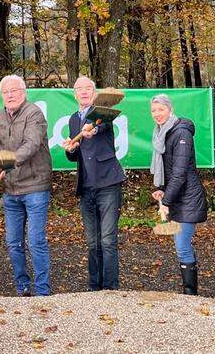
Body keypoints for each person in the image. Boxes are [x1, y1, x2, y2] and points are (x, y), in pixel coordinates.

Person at [0, 74, 52, 296]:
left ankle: (42, 291)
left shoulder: (34, 113)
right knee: (13, 243)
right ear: (1, 95)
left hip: (35, 187)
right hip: (10, 191)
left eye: (15, 90)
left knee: (35, 241)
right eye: (6, 92)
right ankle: (22, 288)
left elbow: (30, 145)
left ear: (24, 92)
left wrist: (6, 165)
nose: (10, 95)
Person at [64, 76, 125, 291]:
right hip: (86, 187)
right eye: (79, 89)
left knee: (108, 240)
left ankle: (110, 289)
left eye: (87, 88)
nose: (83, 92)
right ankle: (94, 287)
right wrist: (70, 149)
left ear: (94, 92)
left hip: (108, 184)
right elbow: (74, 155)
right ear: (74, 94)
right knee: (93, 242)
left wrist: (93, 129)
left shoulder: (103, 112)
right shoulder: (73, 120)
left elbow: (104, 126)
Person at [149, 94, 207, 295]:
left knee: (182, 245)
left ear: (170, 109)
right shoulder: (162, 133)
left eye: (161, 110)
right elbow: (167, 168)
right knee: (181, 246)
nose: (157, 114)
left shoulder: (181, 133)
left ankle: (190, 294)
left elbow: (180, 172)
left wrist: (166, 200)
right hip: (176, 196)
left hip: (188, 198)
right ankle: (189, 292)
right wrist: (161, 189)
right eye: (154, 111)